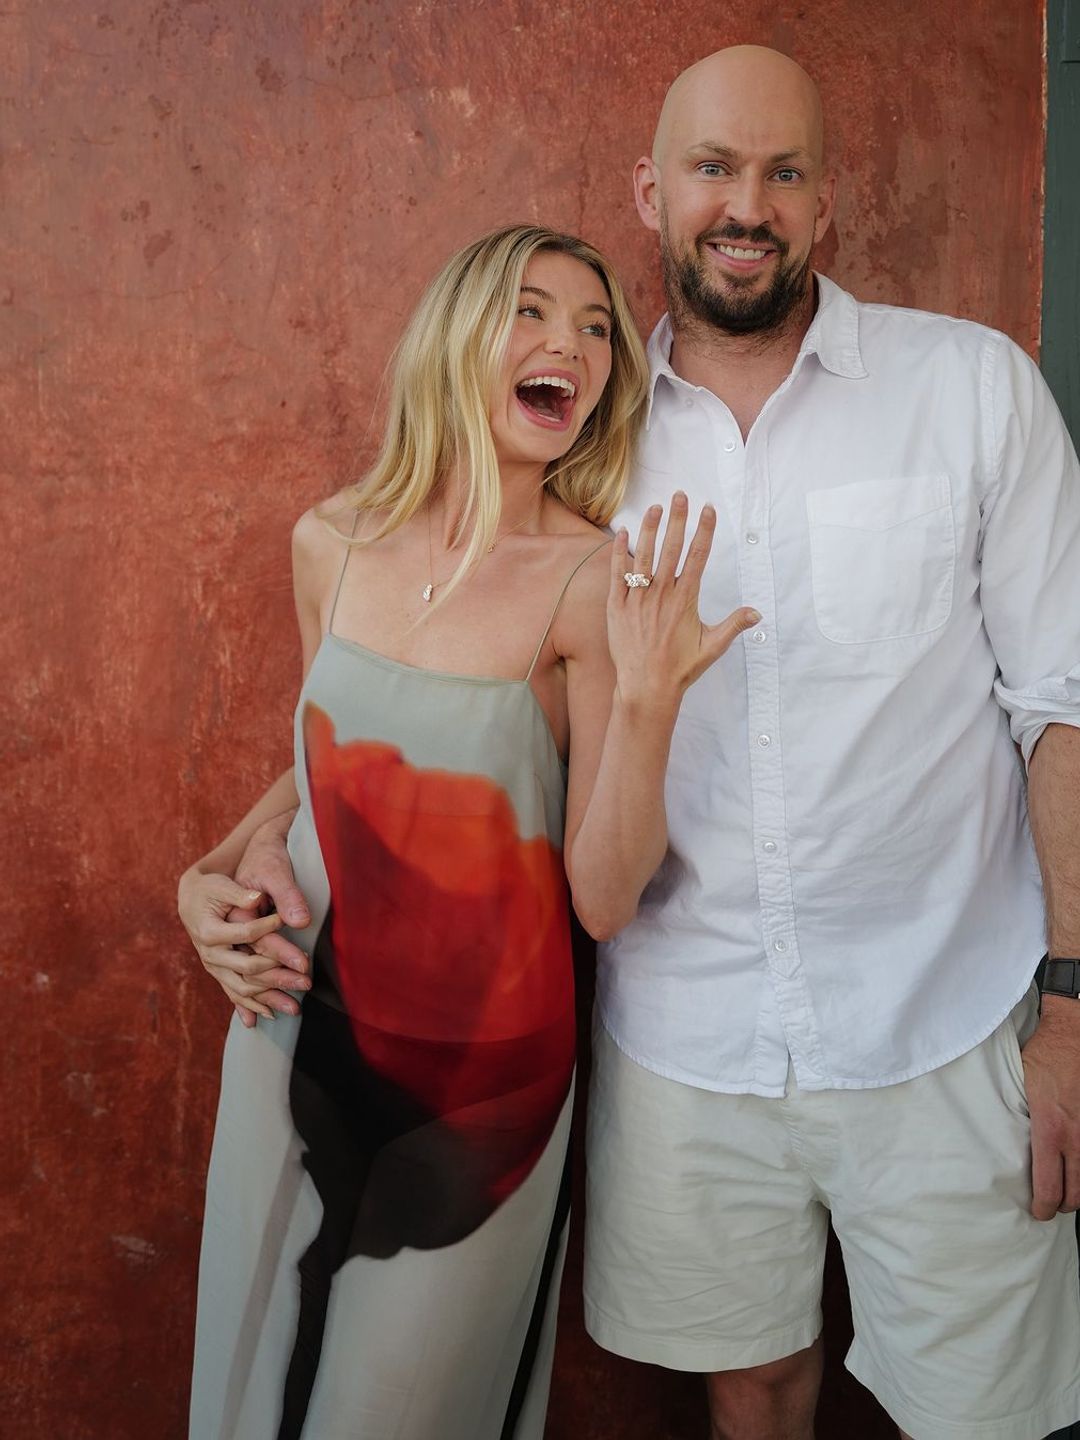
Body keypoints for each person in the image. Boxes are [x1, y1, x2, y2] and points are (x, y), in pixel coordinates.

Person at [212, 46, 1080, 1440]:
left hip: (945, 1023)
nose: (749, 204)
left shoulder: (970, 390)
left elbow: (1063, 700)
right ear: (654, 191)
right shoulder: (594, 459)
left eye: (784, 172)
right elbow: (417, 698)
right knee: (749, 1393)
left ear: (828, 200)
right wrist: (233, 857)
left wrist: (1075, 1013)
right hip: (687, 1039)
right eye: (715, 169)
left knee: (991, 1413)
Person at [177, 222, 757, 1440]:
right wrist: (207, 878)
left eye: (599, 330)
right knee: (250, 1393)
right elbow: (320, 766)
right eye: (535, 315)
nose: (574, 349)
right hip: (289, 1039)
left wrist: (649, 705)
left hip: (481, 1100)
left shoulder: (592, 586)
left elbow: (601, 900)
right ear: (458, 339)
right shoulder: (328, 542)